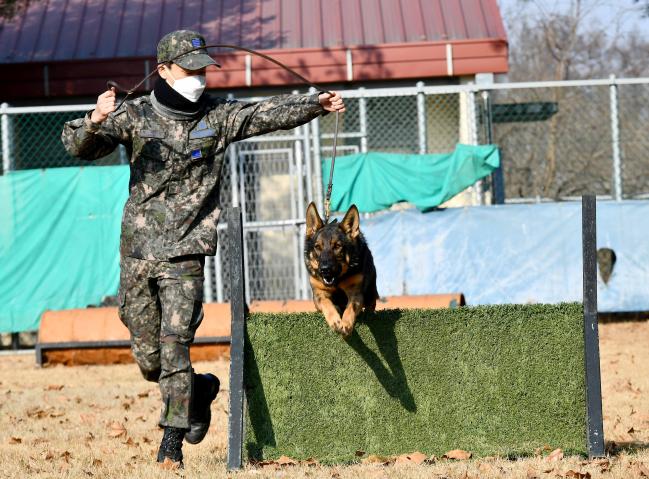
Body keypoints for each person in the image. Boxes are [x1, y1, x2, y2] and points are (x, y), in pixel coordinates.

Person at [61, 29, 345, 468]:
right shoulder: (134, 115)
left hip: (186, 252)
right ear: (165, 70)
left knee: (175, 344)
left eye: (203, 69)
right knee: (150, 359)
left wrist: (315, 104)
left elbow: (266, 113)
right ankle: (201, 390)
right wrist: (95, 119)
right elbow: (78, 147)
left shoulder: (218, 117)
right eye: (189, 70)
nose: (199, 77)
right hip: (138, 251)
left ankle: (170, 443)